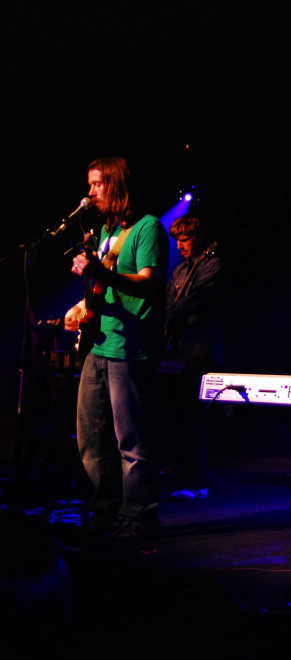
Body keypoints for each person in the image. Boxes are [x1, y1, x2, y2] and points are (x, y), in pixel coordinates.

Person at [64, 157, 168, 540]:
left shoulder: (148, 227)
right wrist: (81, 305)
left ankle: (138, 519)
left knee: (132, 441)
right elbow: (104, 285)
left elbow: (148, 282)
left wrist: (100, 272)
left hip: (130, 347)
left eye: (97, 184)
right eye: (90, 184)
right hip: (99, 343)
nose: (90, 192)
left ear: (117, 185)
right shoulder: (107, 231)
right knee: (91, 438)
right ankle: (105, 512)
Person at [161, 213, 224, 499]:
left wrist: (167, 315)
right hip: (177, 351)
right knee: (176, 415)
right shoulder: (179, 271)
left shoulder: (213, 265)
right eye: (177, 240)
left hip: (201, 350)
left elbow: (196, 300)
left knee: (194, 418)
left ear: (199, 238)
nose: (180, 245)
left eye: (185, 239)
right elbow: (168, 301)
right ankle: (181, 474)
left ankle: (197, 481)